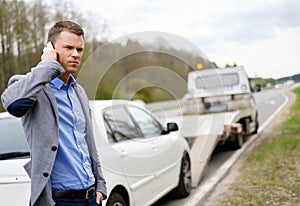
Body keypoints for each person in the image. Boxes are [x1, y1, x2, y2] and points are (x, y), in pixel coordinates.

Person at [1, 21, 107, 206]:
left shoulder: (78, 92)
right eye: (68, 48)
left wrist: (100, 184)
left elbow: (87, 142)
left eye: (79, 49)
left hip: (91, 198)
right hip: (59, 200)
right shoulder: (32, 87)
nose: (75, 54)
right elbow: (12, 104)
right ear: (50, 48)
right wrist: (48, 64)